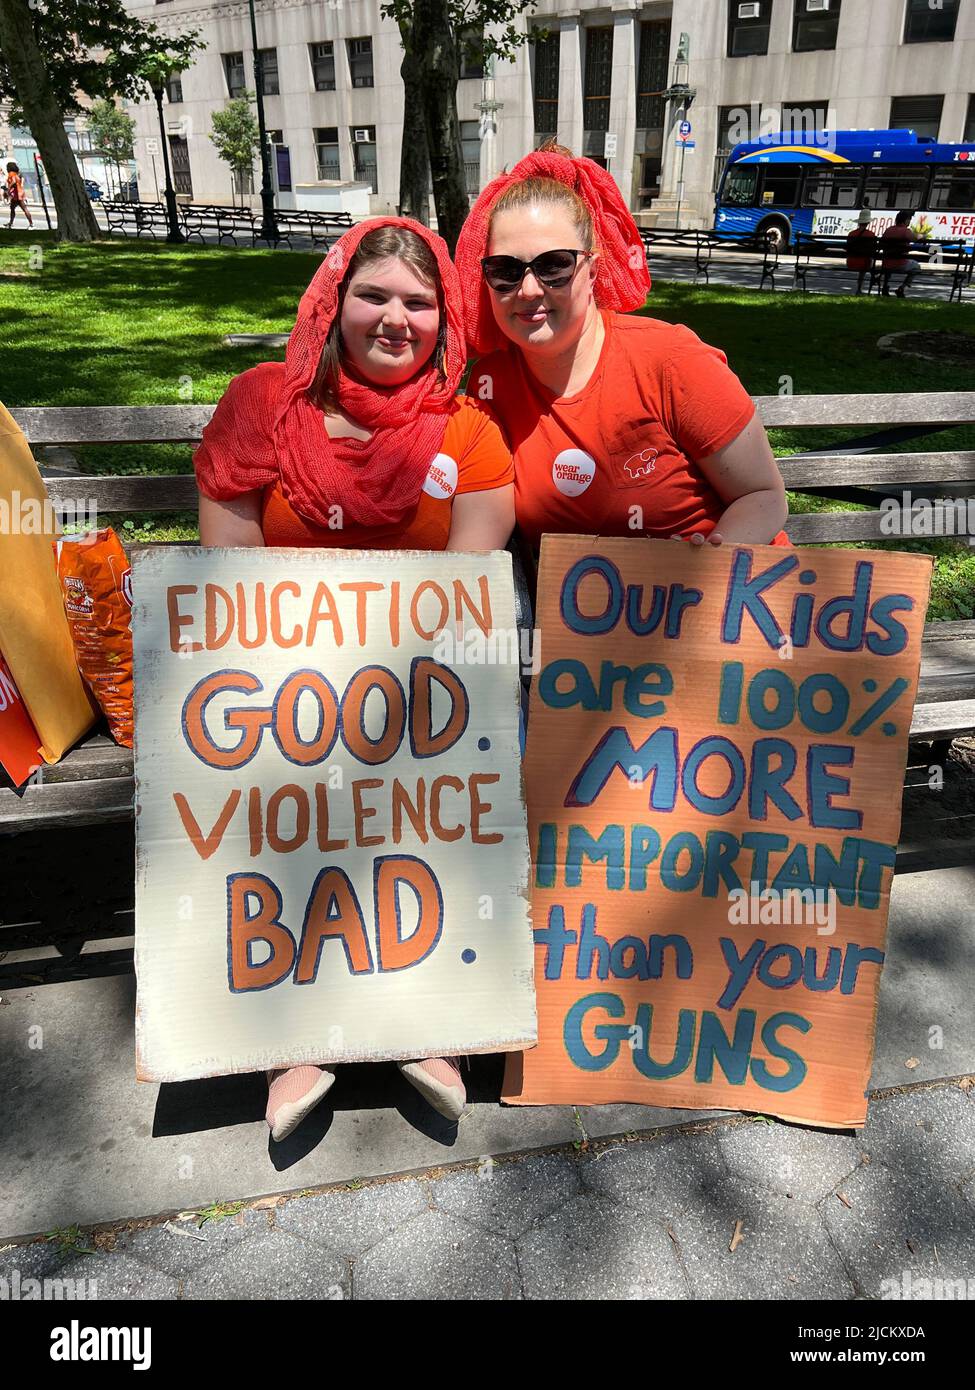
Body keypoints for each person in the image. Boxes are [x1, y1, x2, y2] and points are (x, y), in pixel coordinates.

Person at [193, 217, 515, 1140]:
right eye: (373, 295)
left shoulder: (471, 436)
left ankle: (430, 1017)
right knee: (284, 791)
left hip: (418, 699)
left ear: (443, 319)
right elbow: (231, 585)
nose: (394, 319)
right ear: (333, 302)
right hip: (279, 694)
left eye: (418, 303)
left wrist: (387, 693)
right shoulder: (260, 404)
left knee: (433, 792)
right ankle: (293, 1034)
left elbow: (464, 601)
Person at [453, 142, 790, 554]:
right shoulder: (492, 382)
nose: (527, 289)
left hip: (718, 597)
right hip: (583, 611)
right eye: (505, 270)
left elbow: (762, 495)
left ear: (592, 270)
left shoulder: (671, 359)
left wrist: (710, 566)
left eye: (553, 266)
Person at [880, 210, 920, 298]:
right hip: (900, 264)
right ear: (906, 220)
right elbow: (915, 239)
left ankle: (885, 287)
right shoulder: (906, 231)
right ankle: (902, 288)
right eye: (909, 220)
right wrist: (921, 236)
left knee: (888, 262)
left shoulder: (888, 230)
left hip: (886, 263)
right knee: (916, 266)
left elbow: (881, 244)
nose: (909, 222)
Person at [845, 209, 877, 294]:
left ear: (859, 222)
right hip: (864, 263)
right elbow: (873, 250)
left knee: (865, 259)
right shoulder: (871, 234)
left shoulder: (851, 234)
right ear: (868, 223)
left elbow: (847, 248)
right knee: (868, 260)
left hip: (851, 262)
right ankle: (859, 288)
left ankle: (859, 289)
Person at [4, 162, 33, 229]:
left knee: (24, 209)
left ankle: (31, 224)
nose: (6, 168)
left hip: (17, 194)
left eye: (7, 167)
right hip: (19, 193)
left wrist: (8, 189)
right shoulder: (16, 174)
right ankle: (10, 223)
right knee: (12, 208)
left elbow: (13, 181)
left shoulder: (11, 173)